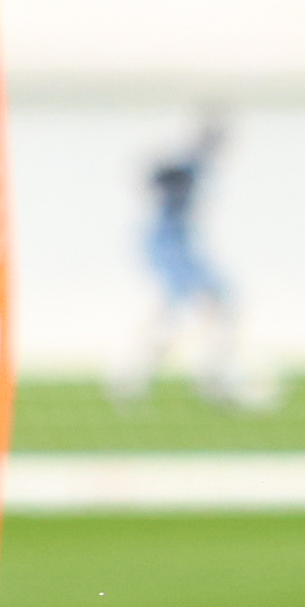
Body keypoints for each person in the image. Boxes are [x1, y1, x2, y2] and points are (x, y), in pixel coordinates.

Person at [110, 114, 275, 409]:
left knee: (220, 300)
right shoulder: (187, 164)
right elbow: (154, 176)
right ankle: (131, 379)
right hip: (166, 243)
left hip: (184, 244)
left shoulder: (200, 166)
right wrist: (172, 179)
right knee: (173, 313)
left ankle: (213, 377)